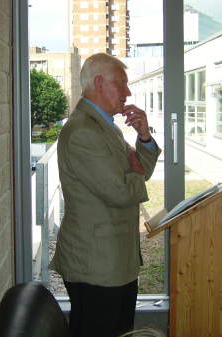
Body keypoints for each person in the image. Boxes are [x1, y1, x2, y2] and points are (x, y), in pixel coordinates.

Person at [49, 53, 161, 337]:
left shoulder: (105, 126)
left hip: (113, 260)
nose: (128, 92)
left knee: (120, 331)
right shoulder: (83, 132)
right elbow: (122, 192)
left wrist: (144, 137)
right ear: (99, 83)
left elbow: (139, 173)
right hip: (96, 264)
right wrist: (133, 169)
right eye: (121, 84)